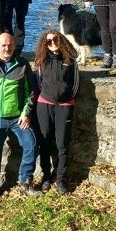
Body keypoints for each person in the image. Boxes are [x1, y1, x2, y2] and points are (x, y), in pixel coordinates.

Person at [0, 32, 39, 203]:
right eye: (3, 45)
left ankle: (25, 181)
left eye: (10, 45)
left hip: (17, 118)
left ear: (14, 45)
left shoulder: (22, 65)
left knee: (30, 144)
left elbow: (31, 92)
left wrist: (26, 113)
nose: (7, 48)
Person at [31, 30, 79, 194]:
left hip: (65, 106)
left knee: (62, 144)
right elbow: (38, 83)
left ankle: (60, 179)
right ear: (44, 43)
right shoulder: (40, 61)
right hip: (44, 105)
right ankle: (45, 176)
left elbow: (75, 85)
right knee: (44, 142)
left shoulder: (70, 61)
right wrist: (47, 96)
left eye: (55, 39)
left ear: (61, 40)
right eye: (48, 41)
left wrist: (64, 97)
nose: (52, 43)